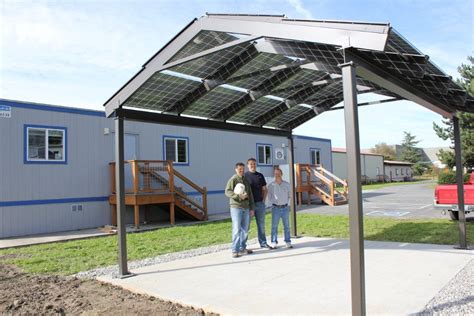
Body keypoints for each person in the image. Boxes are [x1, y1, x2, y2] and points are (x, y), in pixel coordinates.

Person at [225, 162, 256, 258]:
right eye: (239, 169)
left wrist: (251, 208)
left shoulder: (246, 180)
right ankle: (235, 250)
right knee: (237, 229)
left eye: (243, 169)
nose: (241, 171)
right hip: (236, 207)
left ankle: (242, 248)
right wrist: (238, 196)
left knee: (245, 230)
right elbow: (227, 191)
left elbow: (250, 194)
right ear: (236, 169)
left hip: (246, 208)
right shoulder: (233, 179)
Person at [244, 158, 272, 249]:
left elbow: (265, 189)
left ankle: (263, 243)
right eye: (251, 164)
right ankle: (242, 246)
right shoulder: (244, 176)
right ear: (248, 165)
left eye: (254, 164)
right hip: (249, 205)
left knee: (261, 225)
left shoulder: (260, 176)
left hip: (260, 204)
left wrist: (263, 201)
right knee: (246, 226)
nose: (253, 165)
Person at [267, 167, 292, 249]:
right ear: (274, 175)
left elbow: (289, 196)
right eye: (275, 174)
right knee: (274, 226)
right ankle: (274, 242)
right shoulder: (271, 185)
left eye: (278, 173)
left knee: (287, 226)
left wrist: (287, 204)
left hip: (285, 208)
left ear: (281, 174)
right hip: (275, 209)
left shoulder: (287, 184)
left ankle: (287, 241)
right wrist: (274, 202)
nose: (277, 175)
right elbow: (269, 196)